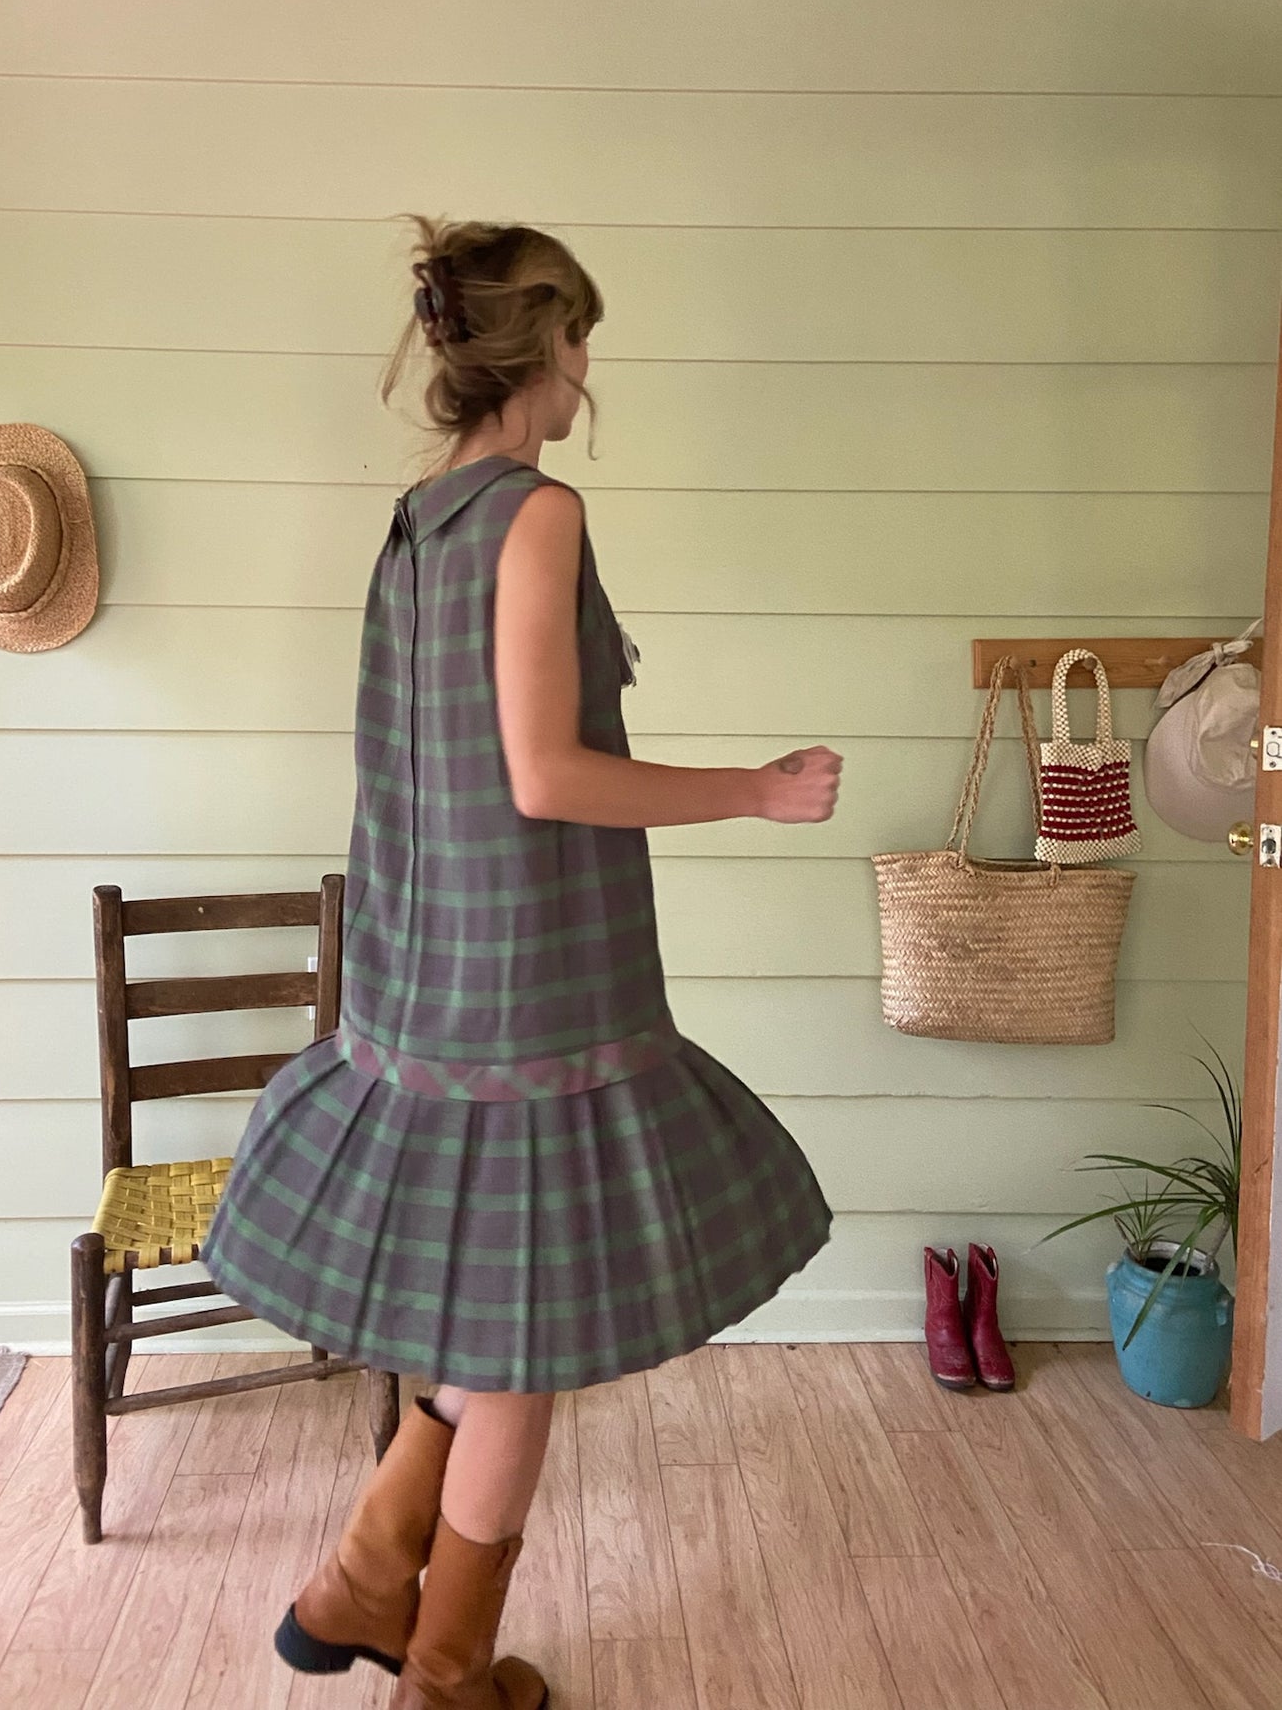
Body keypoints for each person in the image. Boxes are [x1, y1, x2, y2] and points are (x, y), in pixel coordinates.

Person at [198, 217, 839, 1710]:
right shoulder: (534, 516)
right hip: (530, 983)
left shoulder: (420, 519)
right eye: (583, 339)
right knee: (525, 1342)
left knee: (491, 1318)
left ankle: (360, 1583)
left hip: (425, 966)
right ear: (547, 348)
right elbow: (545, 774)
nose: (587, 369)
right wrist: (752, 788)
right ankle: (446, 1670)